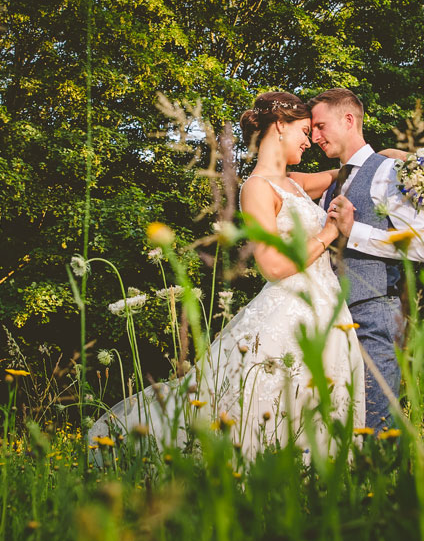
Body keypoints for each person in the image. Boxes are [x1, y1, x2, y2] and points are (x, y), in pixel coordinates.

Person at [88, 91, 365, 461]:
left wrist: (391, 159)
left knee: (322, 409)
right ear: (280, 126)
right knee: (273, 412)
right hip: (290, 313)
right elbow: (273, 266)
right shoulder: (257, 187)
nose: (309, 140)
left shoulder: (296, 183)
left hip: (329, 312)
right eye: (303, 129)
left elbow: (345, 171)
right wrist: (330, 232)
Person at [292, 88, 424, 431]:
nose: (316, 137)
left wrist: (354, 230)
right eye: (312, 130)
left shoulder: (388, 171)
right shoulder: (333, 184)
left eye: (322, 126)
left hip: (373, 314)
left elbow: (423, 245)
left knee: (376, 424)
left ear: (349, 120)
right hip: (331, 320)